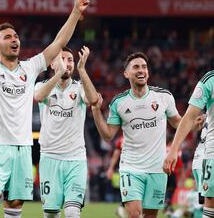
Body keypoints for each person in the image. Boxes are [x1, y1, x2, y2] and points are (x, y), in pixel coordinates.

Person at [0, 0, 89, 218]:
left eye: (15, 36)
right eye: (7, 37)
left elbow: (59, 42)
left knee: (16, 203)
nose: (14, 39)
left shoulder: (29, 68)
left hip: (23, 147)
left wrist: (75, 12)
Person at [91, 52, 182, 218]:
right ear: (126, 73)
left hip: (158, 168)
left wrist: (193, 123)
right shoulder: (119, 102)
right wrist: (96, 111)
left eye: (144, 67)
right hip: (131, 167)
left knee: (150, 216)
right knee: (134, 214)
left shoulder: (164, 96)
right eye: (136, 67)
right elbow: (108, 135)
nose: (141, 70)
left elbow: (177, 122)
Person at [34, 46, 98, 218]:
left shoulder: (79, 88)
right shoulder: (42, 86)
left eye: (70, 60)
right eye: (62, 59)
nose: (67, 64)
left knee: (71, 212)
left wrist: (82, 70)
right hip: (49, 158)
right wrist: (57, 75)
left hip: (75, 158)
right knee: (51, 214)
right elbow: (39, 97)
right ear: (52, 64)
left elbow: (92, 100)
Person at [164, 70, 214, 218]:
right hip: (212, 153)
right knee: (210, 204)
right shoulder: (210, 80)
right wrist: (173, 150)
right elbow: (189, 117)